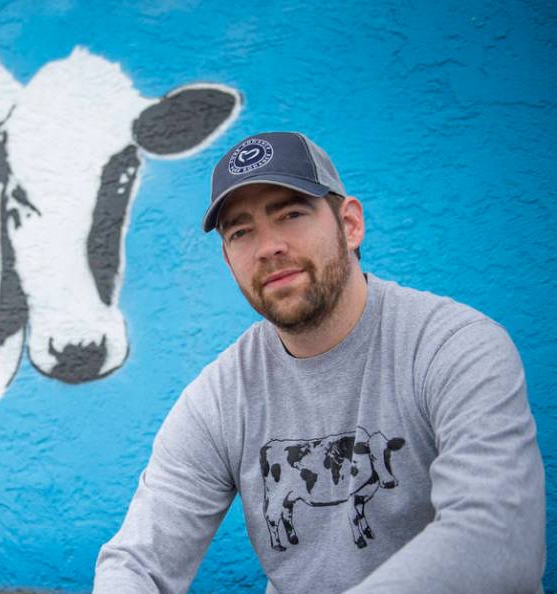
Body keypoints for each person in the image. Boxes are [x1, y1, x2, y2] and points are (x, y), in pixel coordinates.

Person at [92, 132, 546, 593]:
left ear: (349, 224)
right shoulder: (221, 398)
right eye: (241, 231)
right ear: (229, 261)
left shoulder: (454, 347)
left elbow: (499, 540)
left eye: (290, 213)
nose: (268, 246)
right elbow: (136, 562)